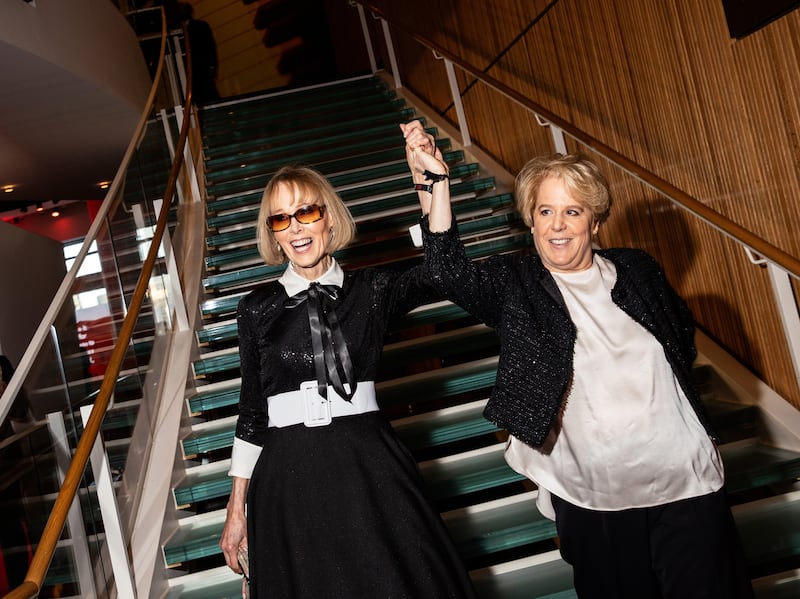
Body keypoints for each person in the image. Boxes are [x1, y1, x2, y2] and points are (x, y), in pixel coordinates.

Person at [401, 119, 754, 599]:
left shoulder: (637, 269)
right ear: (531, 218)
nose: (557, 225)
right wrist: (433, 184)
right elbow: (446, 272)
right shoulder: (517, 282)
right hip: (594, 493)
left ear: (595, 220)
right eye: (545, 210)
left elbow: (681, 342)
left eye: (572, 211)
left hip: (686, 478)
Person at [218, 165, 477, 598]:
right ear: (273, 234)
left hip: (367, 465)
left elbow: (442, 272)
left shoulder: (372, 290)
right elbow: (252, 410)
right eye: (280, 219)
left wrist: (433, 186)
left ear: (330, 218)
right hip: (288, 477)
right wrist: (236, 505)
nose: (295, 229)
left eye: (306, 212)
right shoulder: (256, 308)